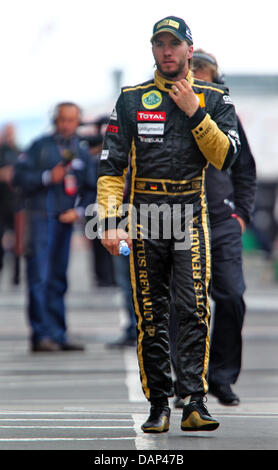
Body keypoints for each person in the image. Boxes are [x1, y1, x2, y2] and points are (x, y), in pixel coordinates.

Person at [97, 16, 241, 433]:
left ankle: (194, 401)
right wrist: (109, 220)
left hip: (190, 214)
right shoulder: (131, 100)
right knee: (151, 315)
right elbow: (110, 168)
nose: (167, 51)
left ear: (188, 50)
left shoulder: (213, 97)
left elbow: (226, 158)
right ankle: (158, 403)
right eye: (160, 44)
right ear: (154, 50)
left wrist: (194, 111)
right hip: (143, 216)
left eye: (174, 44)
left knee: (193, 307)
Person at [170, 49, 257, 407]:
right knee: (183, 303)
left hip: (222, 221)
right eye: (194, 78)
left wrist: (242, 217)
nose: (198, 84)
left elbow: (245, 170)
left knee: (232, 297)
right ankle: (188, 380)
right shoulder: (164, 112)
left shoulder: (226, 112)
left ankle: (221, 378)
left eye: (205, 79)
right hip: (179, 219)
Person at [12, 102, 97, 352]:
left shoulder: (80, 151)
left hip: (64, 222)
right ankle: (41, 335)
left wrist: (80, 211)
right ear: (55, 120)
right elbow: (18, 177)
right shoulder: (40, 146)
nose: (66, 125)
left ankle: (58, 334)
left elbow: (92, 188)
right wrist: (47, 177)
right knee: (39, 276)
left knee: (58, 279)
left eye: (71, 120)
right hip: (40, 219)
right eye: (62, 119)